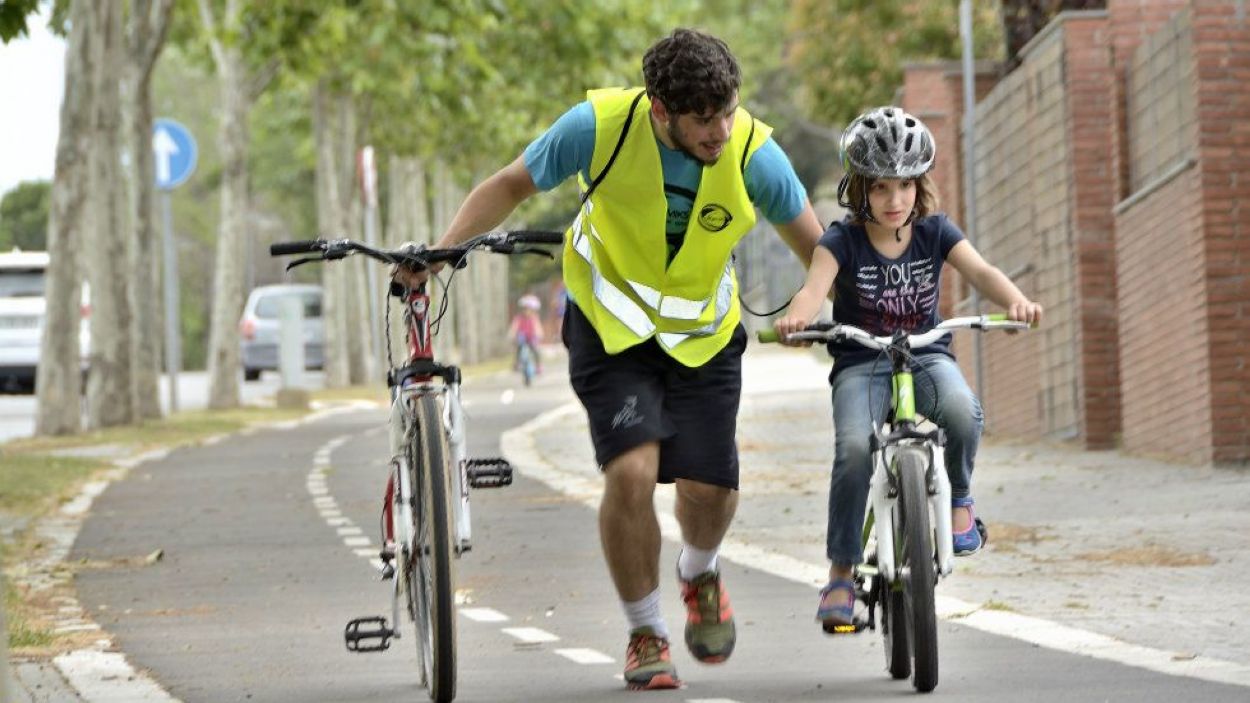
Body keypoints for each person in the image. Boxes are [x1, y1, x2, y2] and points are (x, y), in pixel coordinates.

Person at [395, 28, 822, 690]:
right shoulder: (599, 127)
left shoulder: (752, 153)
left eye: (728, 111)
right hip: (610, 325)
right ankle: (645, 630)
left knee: (710, 490)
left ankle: (698, 572)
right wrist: (445, 248)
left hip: (703, 336)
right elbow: (511, 183)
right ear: (661, 111)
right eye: (703, 120)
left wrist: (830, 308)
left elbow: (816, 244)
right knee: (630, 472)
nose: (719, 130)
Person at [771, 106, 1043, 631]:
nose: (893, 201)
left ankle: (959, 500)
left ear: (920, 186)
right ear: (859, 189)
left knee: (962, 409)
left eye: (904, 186)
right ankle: (841, 575)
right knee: (853, 449)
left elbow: (981, 270)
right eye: (879, 188)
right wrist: (796, 319)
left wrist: (1016, 302)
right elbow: (813, 288)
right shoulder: (841, 241)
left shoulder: (936, 232)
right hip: (861, 363)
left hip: (926, 354)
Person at [508, 294, 544, 375]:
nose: (526, 311)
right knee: (518, 347)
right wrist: (512, 334)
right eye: (524, 309)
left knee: (536, 350)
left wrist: (539, 334)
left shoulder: (534, 318)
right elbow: (514, 327)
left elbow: (537, 327)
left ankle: (538, 365)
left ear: (531, 310)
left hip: (531, 337)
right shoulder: (518, 318)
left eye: (528, 309)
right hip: (522, 336)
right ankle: (517, 363)